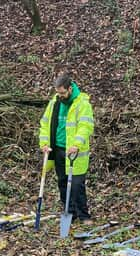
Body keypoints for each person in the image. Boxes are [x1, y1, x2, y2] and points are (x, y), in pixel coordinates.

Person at [39, 73, 95, 224]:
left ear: (70, 89)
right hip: (57, 149)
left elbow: (86, 126)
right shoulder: (55, 102)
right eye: (58, 93)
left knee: (77, 184)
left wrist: (76, 144)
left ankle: (83, 214)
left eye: (63, 93)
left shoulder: (82, 104)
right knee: (62, 181)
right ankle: (69, 212)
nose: (60, 96)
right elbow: (45, 124)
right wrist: (44, 143)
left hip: (75, 152)